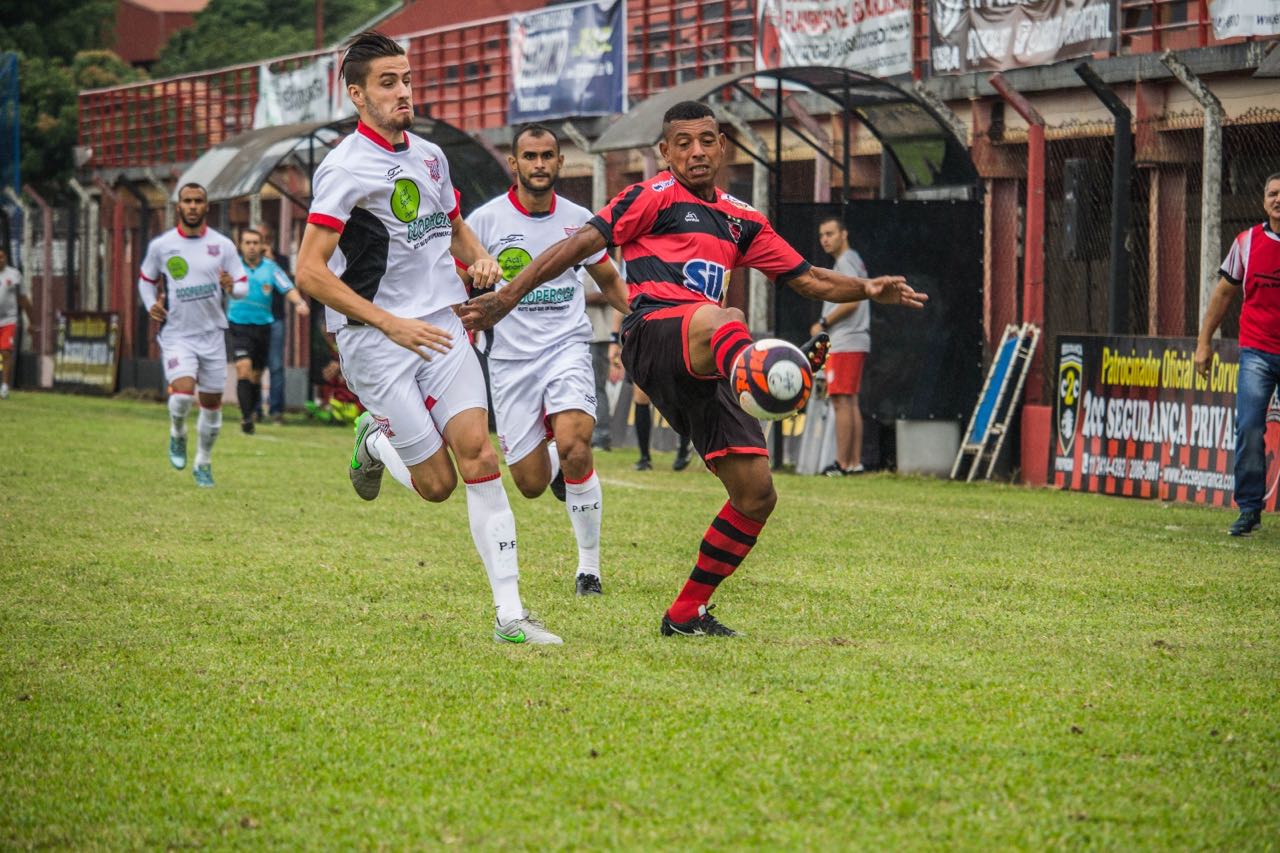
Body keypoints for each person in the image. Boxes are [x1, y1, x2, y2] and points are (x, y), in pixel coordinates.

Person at [461, 100, 926, 637]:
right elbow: (580, 245)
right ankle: (758, 374)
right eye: (683, 142)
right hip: (655, 333)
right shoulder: (650, 196)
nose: (696, 151)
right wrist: (507, 297)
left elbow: (808, 278)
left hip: (707, 354)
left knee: (756, 493)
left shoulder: (742, 218)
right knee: (721, 316)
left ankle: (687, 613)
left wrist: (867, 288)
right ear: (665, 151)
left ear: (722, 145)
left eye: (706, 140)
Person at [295, 30, 562, 644]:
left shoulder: (431, 156)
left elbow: (455, 231)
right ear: (357, 94)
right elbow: (309, 271)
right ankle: (373, 440)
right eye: (388, 83)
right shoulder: (343, 168)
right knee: (435, 486)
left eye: (407, 79)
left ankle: (511, 616)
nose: (403, 92)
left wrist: (482, 262)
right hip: (374, 339)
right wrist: (389, 321)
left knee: (480, 457)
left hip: (442, 327)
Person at [461, 123, 629, 596]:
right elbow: (457, 282)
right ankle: (557, 467)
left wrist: (641, 315)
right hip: (510, 362)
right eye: (529, 156)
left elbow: (610, 281)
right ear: (514, 164)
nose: (539, 164)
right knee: (531, 482)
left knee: (578, 442)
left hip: (566, 347)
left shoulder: (580, 221)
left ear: (560, 162)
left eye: (547, 156)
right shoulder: (486, 222)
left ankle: (589, 570)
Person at [137, 182, 247, 487]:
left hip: (212, 334)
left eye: (199, 201)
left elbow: (242, 285)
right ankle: (177, 433)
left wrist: (231, 288)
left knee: (212, 403)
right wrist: (150, 305)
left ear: (206, 206)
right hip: (177, 334)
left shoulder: (223, 245)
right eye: (188, 201)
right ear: (179, 206)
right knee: (183, 393)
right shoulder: (162, 246)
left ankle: (203, 462)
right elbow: (146, 281)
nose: (193, 206)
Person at [1195, 171, 1280, 537]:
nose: (1279, 199)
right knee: (1247, 427)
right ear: (1263, 201)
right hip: (1257, 351)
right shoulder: (1246, 243)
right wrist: (1203, 343)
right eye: (1273, 193)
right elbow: (1223, 294)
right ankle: (1248, 510)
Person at [228, 227, 309, 433]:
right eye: (248, 243)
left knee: (256, 375)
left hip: (263, 326)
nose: (252, 247)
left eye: (256, 242)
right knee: (243, 369)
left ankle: (254, 411)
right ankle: (247, 418)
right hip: (239, 325)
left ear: (262, 245)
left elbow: (287, 287)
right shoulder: (233, 267)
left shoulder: (271, 268)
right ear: (241, 245)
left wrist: (299, 302)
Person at [809, 216, 871, 476]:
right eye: (822, 234)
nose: (825, 239)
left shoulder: (845, 262)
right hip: (855, 338)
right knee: (850, 400)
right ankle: (853, 462)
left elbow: (852, 301)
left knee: (841, 401)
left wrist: (823, 322)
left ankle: (843, 464)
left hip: (847, 338)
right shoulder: (853, 259)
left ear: (843, 234)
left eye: (830, 233)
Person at [255, 221, 291, 425]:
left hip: (276, 319)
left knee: (276, 365)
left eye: (266, 239)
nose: (262, 244)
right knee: (255, 365)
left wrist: (271, 262)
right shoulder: (248, 262)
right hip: (254, 320)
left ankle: (276, 410)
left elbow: (286, 286)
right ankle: (255, 409)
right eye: (260, 240)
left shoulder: (281, 261)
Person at [0, 247, 35, 399]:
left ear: (6, 258)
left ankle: (5, 386)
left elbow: (24, 300)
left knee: (5, 352)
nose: (0, 260)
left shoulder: (14, 275)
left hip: (8, 319)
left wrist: (31, 322)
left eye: (1, 257)